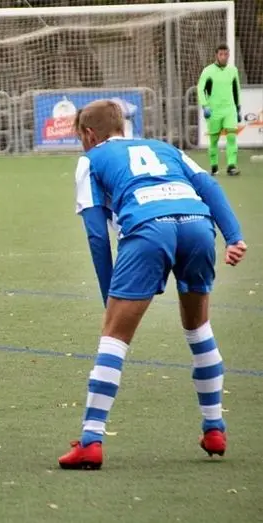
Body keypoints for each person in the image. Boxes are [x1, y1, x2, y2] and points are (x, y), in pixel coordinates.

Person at [59, 100, 247, 470]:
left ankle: (91, 441)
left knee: (114, 339)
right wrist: (234, 236)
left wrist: (109, 295)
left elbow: (97, 234)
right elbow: (207, 185)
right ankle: (214, 428)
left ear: (89, 134)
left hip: (148, 229)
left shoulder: (90, 160)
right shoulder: (164, 148)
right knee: (199, 329)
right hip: (197, 225)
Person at [197, 43, 242, 176]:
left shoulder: (233, 70)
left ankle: (231, 166)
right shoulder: (208, 71)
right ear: (216, 55)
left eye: (226, 54)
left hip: (229, 110)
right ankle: (214, 166)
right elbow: (200, 89)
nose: (223, 57)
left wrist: (238, 108)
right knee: (214, 141)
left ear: (228, 55)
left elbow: (236, 89)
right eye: (221, 54)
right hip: (214, 111)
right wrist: (205, 105)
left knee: (232, 138)